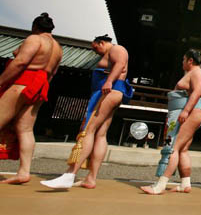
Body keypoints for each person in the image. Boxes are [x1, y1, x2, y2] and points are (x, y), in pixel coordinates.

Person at [41, 34, 133, 189]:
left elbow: (120, 64)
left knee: (88, 129)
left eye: (95, 47)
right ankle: (91, 178)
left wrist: (109, 81)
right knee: (100, 134)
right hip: (110, 92)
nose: (95, 51)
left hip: (108, 91)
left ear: (101, 43)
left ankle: (70, 174)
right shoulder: (110, 53)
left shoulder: (117, 49)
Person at [0, 13, 62, 184]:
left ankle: (23, 173)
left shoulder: (34, 39)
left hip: (24, 80)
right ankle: (23, 172)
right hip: (41, 85)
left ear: (35, 27)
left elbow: (20, 61)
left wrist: (1, 82)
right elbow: (53, 73)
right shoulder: (58, 47)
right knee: (25, 129)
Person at [141, 50, 201, 194]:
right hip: (187, 112)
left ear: (190, 60)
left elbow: (197, 92)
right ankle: (185, 183)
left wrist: (185, 110)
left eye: (183, 59)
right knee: (182, 149)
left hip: (189, 112)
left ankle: (160, 185)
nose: (182, 62)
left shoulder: (197, 73)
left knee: (172, 147)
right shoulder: (192, 73)